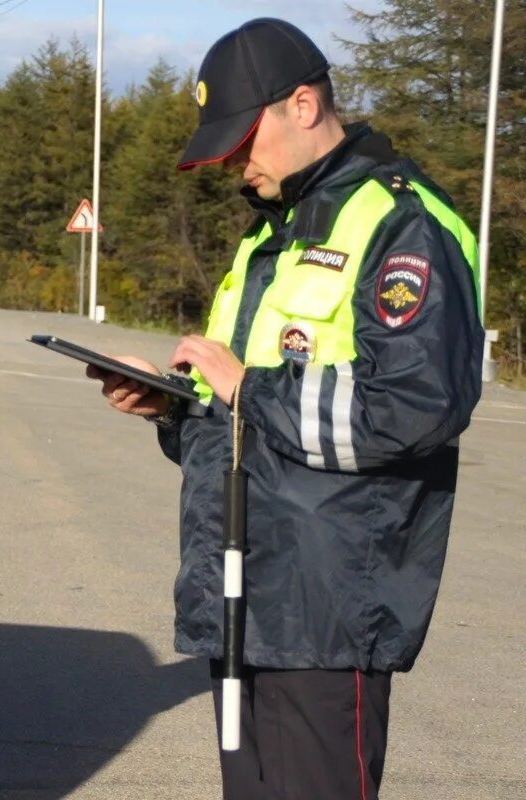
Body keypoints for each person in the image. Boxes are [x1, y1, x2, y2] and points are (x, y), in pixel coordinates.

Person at [86, 18, 482, 800]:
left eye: (242, 139)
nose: (235, 165)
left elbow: (414, 409)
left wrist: (245, 387)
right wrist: (172, 407)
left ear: (303, 105)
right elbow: (249, 421)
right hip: (245, 597)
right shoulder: (273, 235)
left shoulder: (402, 223)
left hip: (327, 612)